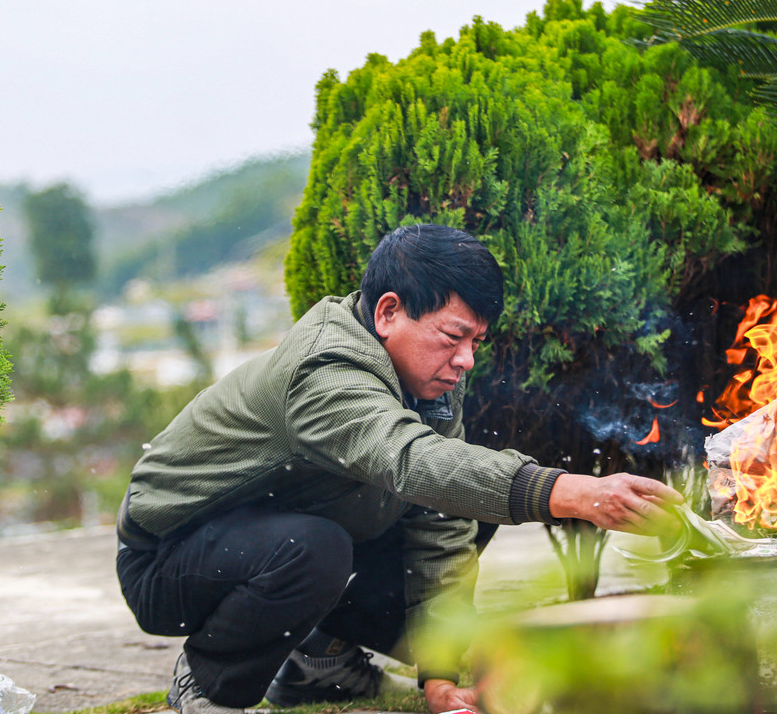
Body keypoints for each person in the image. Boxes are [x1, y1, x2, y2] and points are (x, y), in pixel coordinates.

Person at [116, 224, 683, 714]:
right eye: (452, 337)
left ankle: (319, 660)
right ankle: (210, 681)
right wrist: (566, 491)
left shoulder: (426, 382)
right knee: (316, 547)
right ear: (388, 312)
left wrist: (439, 675)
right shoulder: (325, 368)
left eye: (475, 343)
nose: (464, 360)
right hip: (168, 559)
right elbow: (409, 459)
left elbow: (441, 517)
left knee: (469, 501)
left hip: (280, 536)